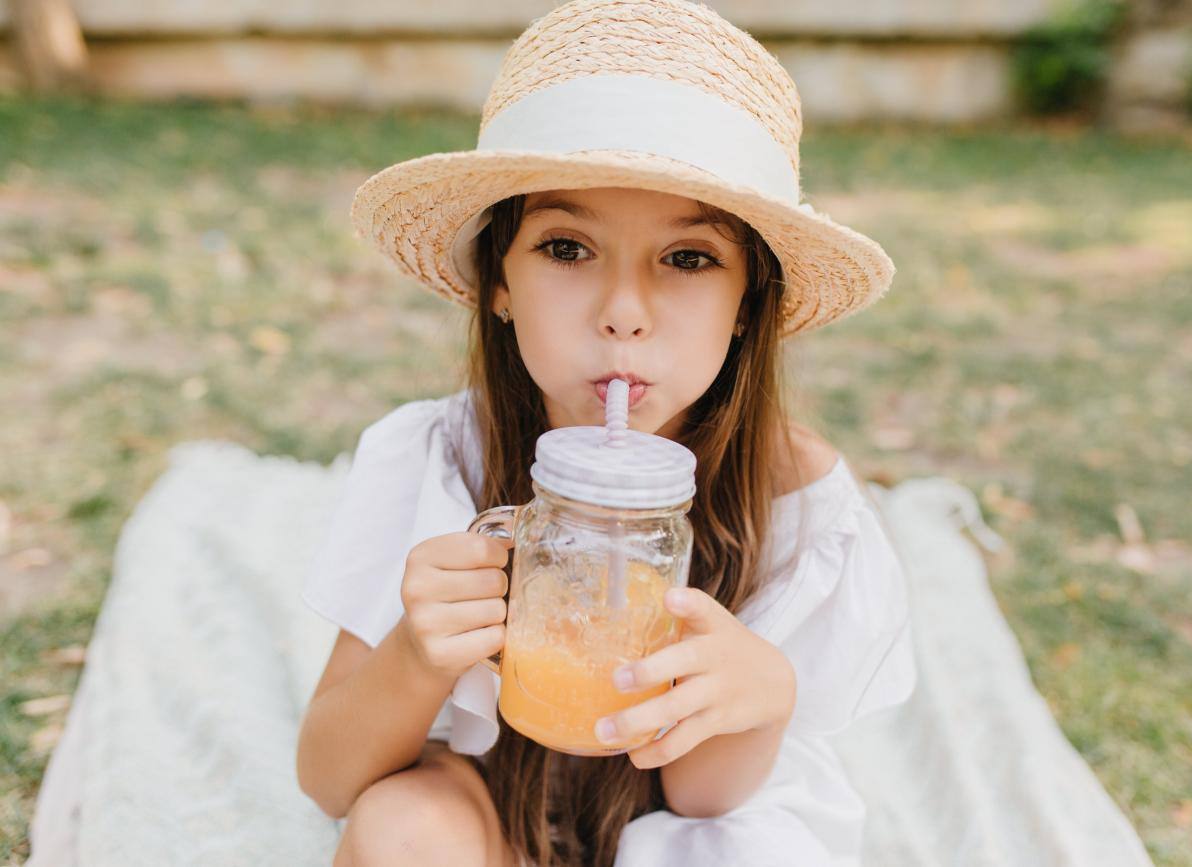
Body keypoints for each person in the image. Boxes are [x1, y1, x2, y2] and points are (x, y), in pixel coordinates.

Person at [296, 1, 915, 864]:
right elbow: (328, 778)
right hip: (484, 808)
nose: (623, 313)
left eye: (689, 258)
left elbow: (705, 799)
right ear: (497, 282)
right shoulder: (439, 461)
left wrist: (761, 694)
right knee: (402, 830)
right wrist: (415, 653)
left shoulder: (795, 507)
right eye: (566, 248)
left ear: (749, 304)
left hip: (682, 830)